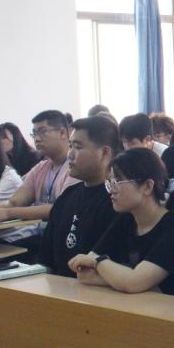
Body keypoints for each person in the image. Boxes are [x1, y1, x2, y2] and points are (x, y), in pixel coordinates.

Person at [68, 148, 174, 298]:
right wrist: (123, 281)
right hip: (135, 307)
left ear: (147, 186)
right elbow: (85, 273)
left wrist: (98, 262)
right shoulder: (126, 219)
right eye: (110, 182)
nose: (111, 190)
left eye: (118, 181)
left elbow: (133, 282)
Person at [0, 110, 80, 247]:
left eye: (42, 132)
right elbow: (14, 202)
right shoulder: (41, 168)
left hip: (69, 240)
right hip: (46, 239)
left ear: (63, 133)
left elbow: (57, 208)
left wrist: (8, 213)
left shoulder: (75, 167)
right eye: (34, 133)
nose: (37, 139)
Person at [41, 116, 120, 277]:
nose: (70, 155)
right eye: (70, 146)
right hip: (58, 287)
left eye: (77, 147)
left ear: (104, 152)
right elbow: (46, 259)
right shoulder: (67, 196)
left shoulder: (117, 200)